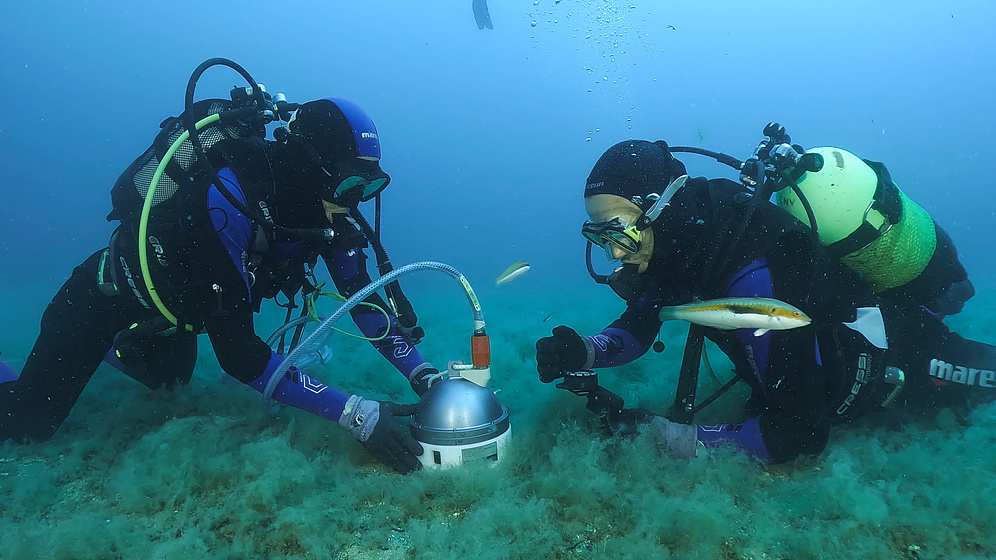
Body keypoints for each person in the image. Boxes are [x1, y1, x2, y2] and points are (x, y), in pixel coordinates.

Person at [0, 97, 438, 474]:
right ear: (309, 165)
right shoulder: (228, 200)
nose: (355, 200)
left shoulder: (324, 211)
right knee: (27, 425)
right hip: (102, 299)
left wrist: (424, 375)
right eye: (348, 182)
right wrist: (353, 415)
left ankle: (122, 347)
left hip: (173, 319)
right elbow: (239, 355)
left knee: (170, 380)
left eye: (369, 185)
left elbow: (363, 304)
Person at [536, 139, 996, 462]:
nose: (616, 252)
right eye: (601, 236)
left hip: (901, 357)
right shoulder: (675, 240)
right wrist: (584, 350)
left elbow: (793, 434)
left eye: (621, 230)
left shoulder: (750, 265)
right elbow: (638, 326)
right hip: (805, 373)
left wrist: (669, 437)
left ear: (662, 205)